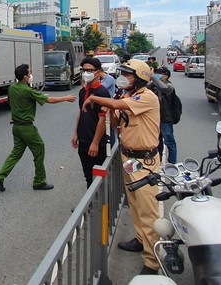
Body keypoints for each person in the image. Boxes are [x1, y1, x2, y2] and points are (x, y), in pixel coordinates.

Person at [82, 59, 161, 275]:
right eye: (123, 74)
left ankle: (153, 262)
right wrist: (110, 109)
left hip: (146, 163)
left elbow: (116, 106)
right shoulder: (127, 96)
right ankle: (140, 240)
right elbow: (116, 121)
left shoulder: (147, 97)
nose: (124, 78)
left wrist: (96, 98)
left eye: (129, 75)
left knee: (148, 211)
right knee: (135, 205)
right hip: (129, 160)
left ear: (141, 78)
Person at [0, 64, 76, 191]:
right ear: (25, 77)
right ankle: (39, 181)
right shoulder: (28, 91)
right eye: (30, 73)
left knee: (15, 153)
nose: (31, 75)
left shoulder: (12, 88)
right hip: (27, 128)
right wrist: (66, 98)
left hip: (16, 127)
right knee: (39, 149)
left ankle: (0, 176)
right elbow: (49, 100)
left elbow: (10, 102)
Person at [72, 57, 110, 187]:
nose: (86, 73)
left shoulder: (102, 93)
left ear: (98, 72)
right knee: (88, 176)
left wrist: (95, 143)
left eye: (89, 70)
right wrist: (76, 134)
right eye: (84, 70)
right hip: (83, 140)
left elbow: (103, 119)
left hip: (96, 142)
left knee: (98, 177)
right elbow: (81, 113)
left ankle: (100, 206)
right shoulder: (83, 91)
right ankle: (91, 206)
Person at [151, 66, 177, 164]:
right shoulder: (153, 85)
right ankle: (159, 159)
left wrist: (152, 76)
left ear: (166, 76)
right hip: (156, 119)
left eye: (159, 74)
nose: (157, 75)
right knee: (157, 142)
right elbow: (146, 86)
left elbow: (162, 87)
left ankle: (172, 162)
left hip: (166, 119)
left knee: (169, 141)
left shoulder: (169, 87)